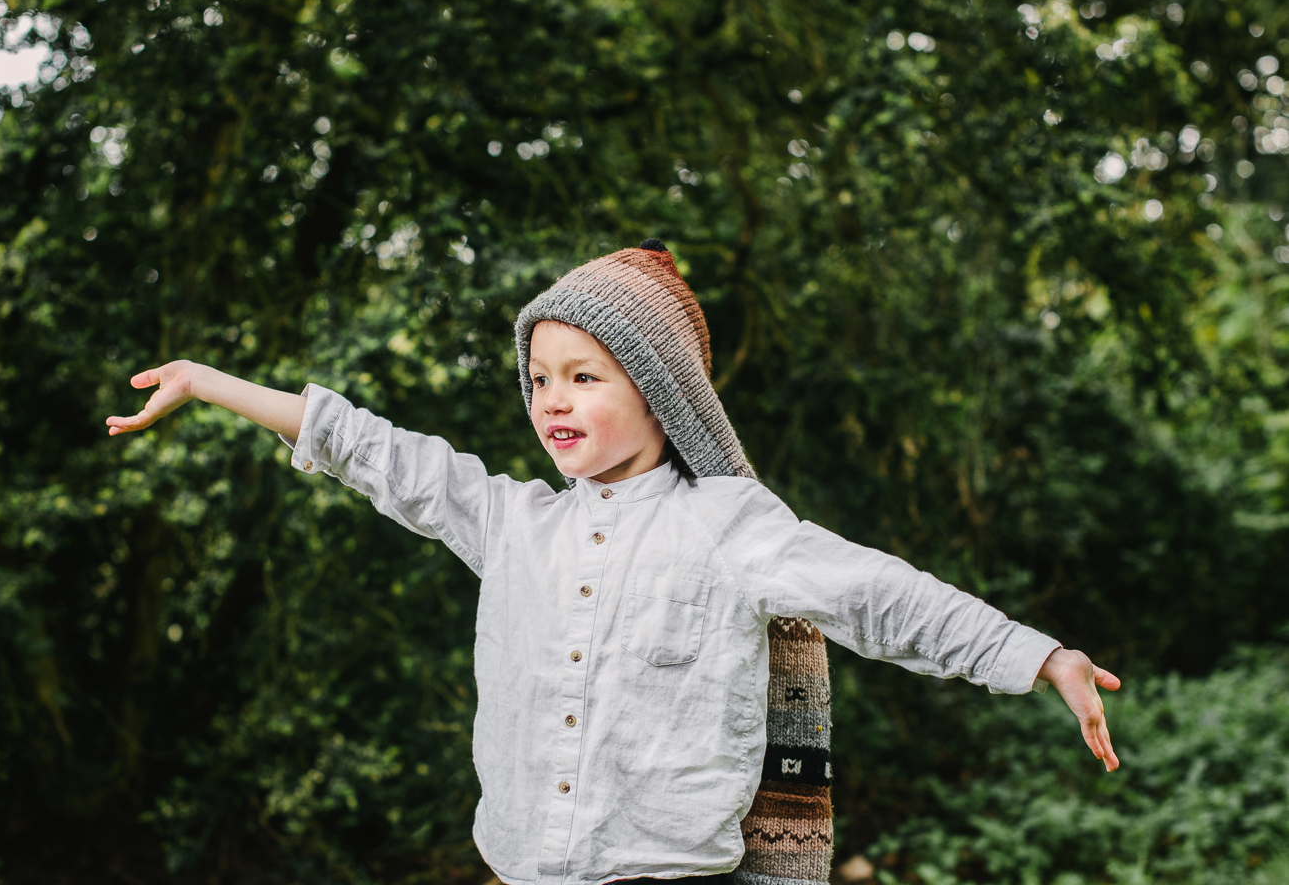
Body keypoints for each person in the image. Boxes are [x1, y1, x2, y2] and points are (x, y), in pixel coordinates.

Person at [106, 240, 1121, 885]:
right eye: (539, 376)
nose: (552, 397)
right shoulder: (514, 524)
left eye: (584, 375)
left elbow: (877, 595)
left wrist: (1036, 656)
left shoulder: (729, 525)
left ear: (659, 392)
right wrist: (208, 381)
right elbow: (380, 454)